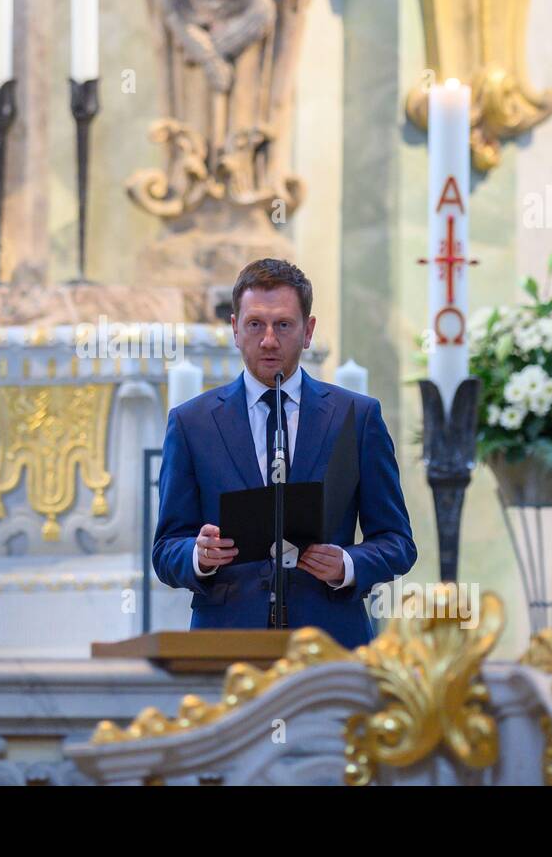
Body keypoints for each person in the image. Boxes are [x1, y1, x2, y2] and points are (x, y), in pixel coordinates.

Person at [153, 258, 417, 647]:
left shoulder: (357, 418)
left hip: (330, 641)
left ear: (307, 331)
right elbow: (165, 551)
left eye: (283, 325)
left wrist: (346, 564)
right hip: (226, 642)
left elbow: (398, 542)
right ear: (234, 330)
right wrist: (198, 554)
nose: (269, 340)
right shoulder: (193, 424)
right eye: (255, 324)